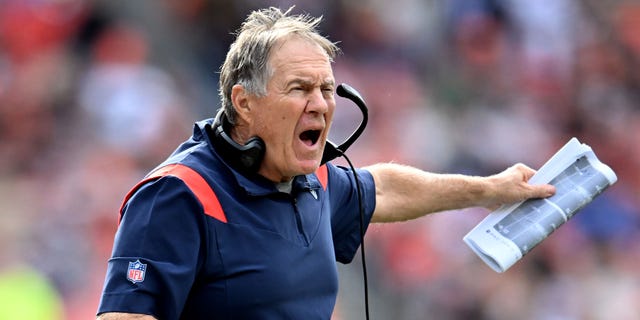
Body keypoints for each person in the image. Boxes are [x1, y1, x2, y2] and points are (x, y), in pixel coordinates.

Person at [96, 7, 555, 320]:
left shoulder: (311, 181)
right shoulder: (179, 195)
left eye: (328, 89)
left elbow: (387, 187)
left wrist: (489, 189)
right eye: (299, 88)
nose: (319, 104)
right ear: (245, 102)